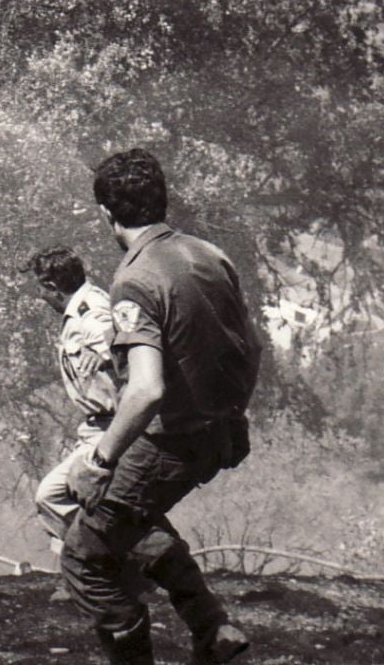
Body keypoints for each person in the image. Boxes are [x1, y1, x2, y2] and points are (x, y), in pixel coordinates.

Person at [62, 149, 261, 665]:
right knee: (136, 523)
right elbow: (251, 347)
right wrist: (233, 415)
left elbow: (146, 389)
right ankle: (212, 631)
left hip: (170, 442)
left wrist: (99, 460)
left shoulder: (135, 279)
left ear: (107, 214)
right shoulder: (211, 255)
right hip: (217, 433)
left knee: (86, 554)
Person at [24, 245, 119, 548]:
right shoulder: (85, 304)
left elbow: (115, 331)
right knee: (109, 505)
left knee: (52, 496)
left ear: (51, 286)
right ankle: (123, 562)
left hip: (111, 427)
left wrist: (103, 350)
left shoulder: (88, 309)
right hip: (96, 427)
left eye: (40, 289)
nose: (40, 297)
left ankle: (111, 564)